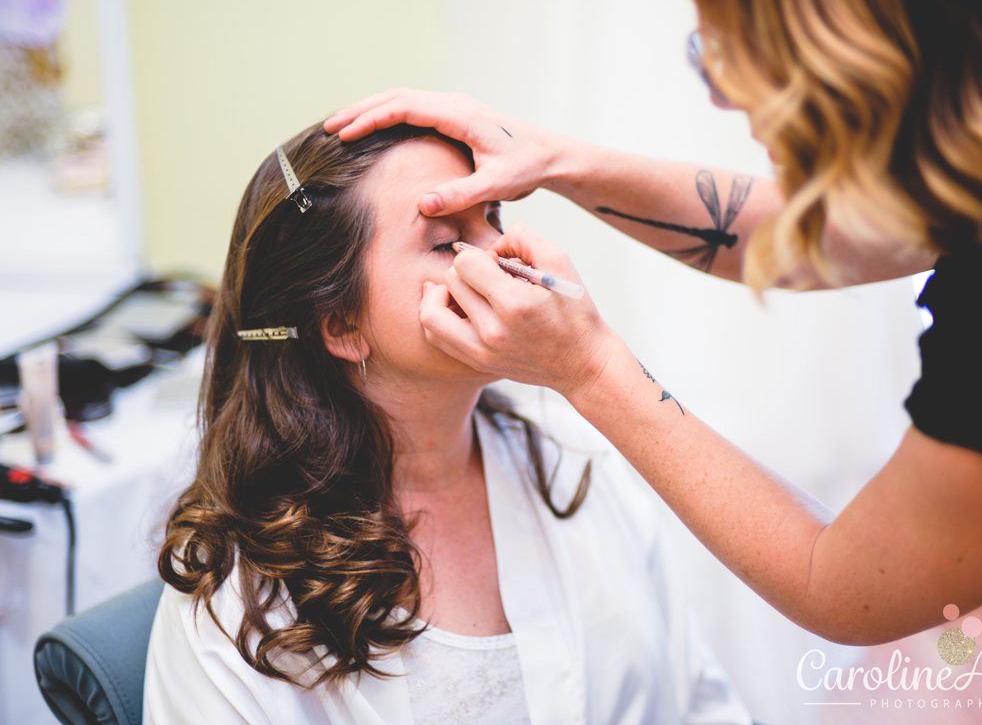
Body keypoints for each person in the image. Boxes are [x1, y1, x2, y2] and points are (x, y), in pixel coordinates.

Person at [322, 0, 982, 665]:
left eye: (727, 43)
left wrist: (589, 368)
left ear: (849, 33)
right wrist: (559, 161)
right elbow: (833, 229)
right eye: (448, 238)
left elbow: (845, 585)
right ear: (337, 323)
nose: (721, 96)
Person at [143, 122, 751, 724]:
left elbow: (698, 698)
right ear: (342, 326)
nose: (506, 258)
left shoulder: (577, 457)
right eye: (446, 242)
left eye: (494, 221)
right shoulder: (237, 606)